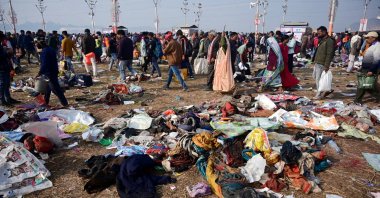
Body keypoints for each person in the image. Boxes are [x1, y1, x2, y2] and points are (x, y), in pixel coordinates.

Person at [36, 40, 68, 107]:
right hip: (53, 70)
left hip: (49, 72)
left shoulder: (44, 52)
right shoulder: (50, 49)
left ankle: (64, 103)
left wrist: (40, 72)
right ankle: (45, 102)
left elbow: (44, 64)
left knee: (55, 89)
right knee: (47, 89)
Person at [354, 31, 380, 104]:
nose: (366, 39)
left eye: (368, 38)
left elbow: (376, 59)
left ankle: (357, 100)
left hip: (369, 69)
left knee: (363, 85)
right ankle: (377, 96)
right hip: (366, 68)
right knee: (367, 85)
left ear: (374, 38)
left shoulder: (377, 46)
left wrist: (371, 70)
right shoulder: (372, 45)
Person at [312, 26, 335, 99]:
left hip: (322, 63)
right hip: (317, 62)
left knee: (319, 79)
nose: (318, 34)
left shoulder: (329, 41)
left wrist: (327, 65)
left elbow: (329, 54)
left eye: (319, 33)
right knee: (316, 77)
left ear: (324, 32)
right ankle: (324, 91)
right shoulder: (322, 40)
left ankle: (319, 94)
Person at [0, 32, 19, 106]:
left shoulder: (2, 46)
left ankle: (8, 98)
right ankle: (2, 100)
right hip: (1, 67)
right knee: (2, 84)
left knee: (7, 84)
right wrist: (7, 52)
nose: (3, 40)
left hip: (6, 66)